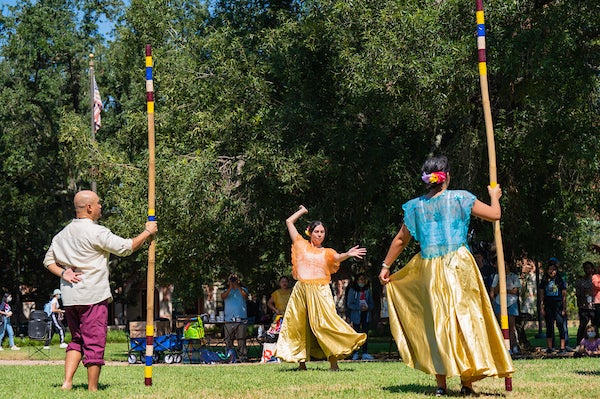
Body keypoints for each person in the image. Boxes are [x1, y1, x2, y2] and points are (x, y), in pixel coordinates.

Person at [378, 155, 513, 397]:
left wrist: (386, 265)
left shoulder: (415, 206)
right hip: (459, 267)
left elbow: (400, 239)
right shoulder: (461, 198)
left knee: (436, 324)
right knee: (465, 321)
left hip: (430, 270)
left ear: (427, 179)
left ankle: (441, 385)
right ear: (446, 176)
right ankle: (467, 384)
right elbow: (494, 215)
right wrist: (495, 197)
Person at [43, 190, 157, 391]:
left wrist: (63, 274)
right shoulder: (96, 232)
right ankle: (93, 389)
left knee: (77, 339)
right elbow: (125, 248)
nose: (101, 206)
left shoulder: (62, 234)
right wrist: (147, 232)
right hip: (93, 296)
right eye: (98, 203)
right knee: (94, 342)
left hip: (70, 298)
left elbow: (48, 261)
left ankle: (67, 383)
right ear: (89, 207)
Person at [275, 205, 367, 371]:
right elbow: (289, 221)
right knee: (299, 325)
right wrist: (302, 211)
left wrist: (348, 254)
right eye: (317, 231)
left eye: (322, 232)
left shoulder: (327, 252)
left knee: (325, 324)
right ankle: (301, 364)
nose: (320, 235)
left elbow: (337, 257)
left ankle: (333, 363)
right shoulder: (300, 244)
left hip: (320, 290)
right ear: (310, 232)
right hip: (301, 290)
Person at [490, 260, 521, 354]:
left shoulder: (514, 277)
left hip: (511, 303)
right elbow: (493, 292)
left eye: (505, 265)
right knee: (502, 325)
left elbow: (515, 291)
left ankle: (513, 346)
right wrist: (500, 284)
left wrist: (505, 290)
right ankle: (504, 347)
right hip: (500, 303)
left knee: (511, 326)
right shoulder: (497, 277)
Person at [539, 258, 568, 354]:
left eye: (554, 269)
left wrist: (564, 308)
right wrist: (542, 307)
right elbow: (542, 295)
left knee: (560, 325)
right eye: (550, 269)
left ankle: (562, 347)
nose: (552, 271)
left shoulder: (560, 280)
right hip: (548, 305)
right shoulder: (544, 280)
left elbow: (564, 295)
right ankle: (550, 347)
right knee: (549, 326)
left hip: (558, 304)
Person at [220, 273, 249, 361]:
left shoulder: (243, 289)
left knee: (241, 339)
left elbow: (245, 296)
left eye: (234, 280)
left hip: (241, 318)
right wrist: (230, 287)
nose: (233, 281)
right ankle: (229, 356)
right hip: (229, 319)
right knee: (228, 340)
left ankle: (242, 357)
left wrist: (238, 286)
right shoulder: (226, 291)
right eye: (231, 280)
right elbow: (223, 297)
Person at [346, 273, 375, 360]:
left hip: (366, 315)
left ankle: (365, 352)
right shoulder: (352, 290)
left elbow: (371, 303)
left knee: (365, 333)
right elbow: (349, 304)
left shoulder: (367, 291)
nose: (362, 281)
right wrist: (358, 308)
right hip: (356, 315)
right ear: (357, 280)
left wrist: (368, 307)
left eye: (363, 280)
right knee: (356, 333)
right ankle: (355, 352)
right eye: (360, 279)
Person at [575, 262, 596, 344]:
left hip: (594, 306)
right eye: (585, 268)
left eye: (589, 268)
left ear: (592, 269)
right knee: (583, 325)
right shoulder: (580, 281)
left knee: (595, 325)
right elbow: (578, 294)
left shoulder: (596, 280)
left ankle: (595, 344)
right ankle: (579, 343)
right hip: (584, 307)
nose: (587, 270)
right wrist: (579, 305)